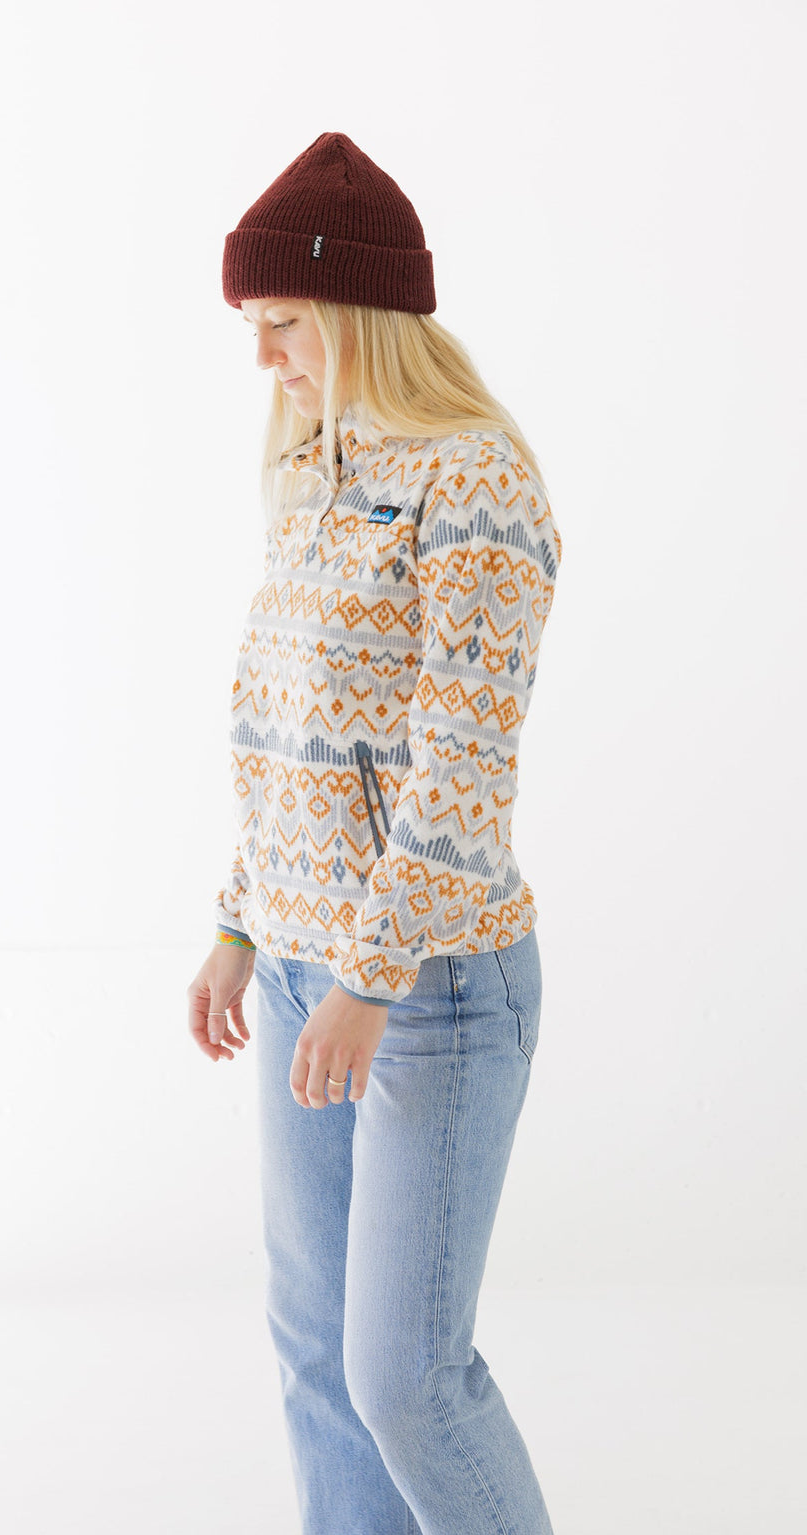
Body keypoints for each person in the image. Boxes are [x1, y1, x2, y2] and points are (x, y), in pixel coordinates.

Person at [186, 131, 562, 1535]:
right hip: (300, 975)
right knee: (317, 1361)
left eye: (282, 322)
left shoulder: (477, 482)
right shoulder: (315, 470)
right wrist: (239, 923)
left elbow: (463, 766)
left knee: (407, 1382)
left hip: (429, 989)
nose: (263, 357)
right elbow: (281, 732)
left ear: (358, 309)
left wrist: (368, 973)